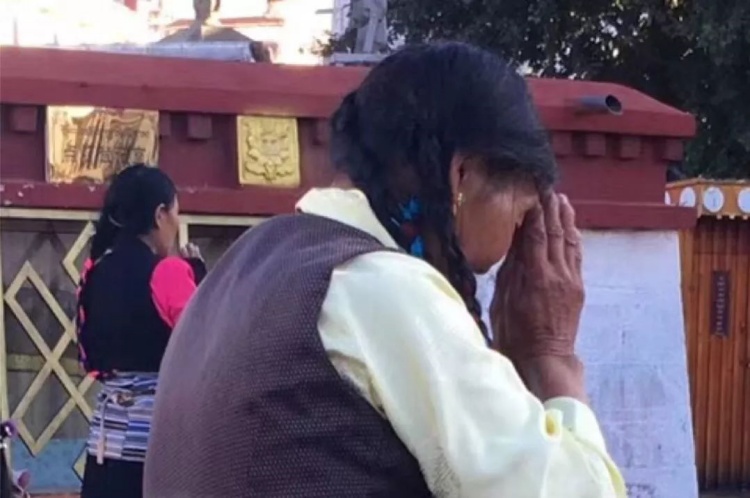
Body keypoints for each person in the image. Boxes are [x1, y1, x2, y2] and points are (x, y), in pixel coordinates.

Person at [144, 42, 626, 497]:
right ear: (463, 176)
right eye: (522, 213)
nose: (516, 245)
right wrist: (551, 359)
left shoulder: (248, 261)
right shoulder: (382, 287)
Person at [76, 165, 206, 498]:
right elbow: (203, 347)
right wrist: (199, 279)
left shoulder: (94, 271)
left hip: (104, 445)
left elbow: (89, 353)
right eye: (176, 212)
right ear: (160, 214)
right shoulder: (168, 273)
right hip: (154, 447)